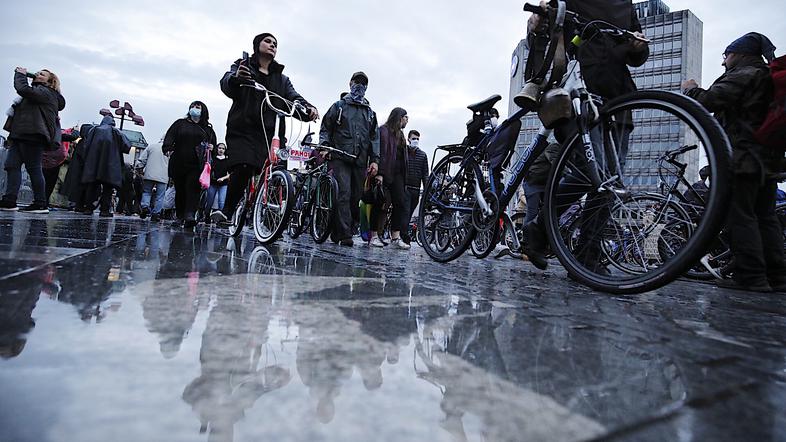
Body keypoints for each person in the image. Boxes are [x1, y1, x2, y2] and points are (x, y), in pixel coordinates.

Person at [521, 0, 649, 271]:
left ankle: (587, 253)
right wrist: (535, 22)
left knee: (611, 181)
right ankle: (541, 227)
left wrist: (639, 46)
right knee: (590, 173)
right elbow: (543, 23)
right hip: (579, 91)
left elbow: (637, 55)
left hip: (619, 96)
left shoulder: (626, 6)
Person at [682, 32, 786, 293]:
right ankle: (777, 277)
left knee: (741, 217)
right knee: (766, 217)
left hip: (743, 158)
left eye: (726, 55)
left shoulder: (746, 72)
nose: (724, 61)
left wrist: (690, 89)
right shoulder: (765, 75)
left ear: (738, 53)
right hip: (767, 161)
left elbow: (707, 101)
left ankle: (751, 277)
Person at [214, 32, 318, 226]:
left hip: (271, 132)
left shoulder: (282, 79)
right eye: (267, 41)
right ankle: (227, 211)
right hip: (243, 128)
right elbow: (226, 82)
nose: (272, 45)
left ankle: (271, 220)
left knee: (277, 168)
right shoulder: (243, 65)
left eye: (275, 44)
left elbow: (293, 97)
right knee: (244, 166)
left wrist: (308, 108)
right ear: (257, 45)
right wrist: (236, 78)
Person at [319, 71, 380, 246]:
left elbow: (375, 139)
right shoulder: (338, 106)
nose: (360, 85)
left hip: (360, 161)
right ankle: (345, 234)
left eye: (363, 83)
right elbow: (325, 128)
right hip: (340, 157)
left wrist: (375, 160)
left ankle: (339, 230)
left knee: (356, 198)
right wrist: (324, 147)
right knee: (343, 194)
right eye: (357, 81)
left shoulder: (370, 113)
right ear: (350, 83)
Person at [1, 68, 65, 213]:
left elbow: (23, 89)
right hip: (21, 134)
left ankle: (40, 203)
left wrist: (20, 75)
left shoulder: (47, 93)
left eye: (42, 74)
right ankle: (10, 200)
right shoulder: (38, 92)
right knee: (12, 165)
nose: (37, 74)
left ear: (50, 82)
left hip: (34, 134)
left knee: (34, 168)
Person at [162, 101, 217, 230]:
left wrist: (212, 148)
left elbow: (213, 145)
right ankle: (180, 214)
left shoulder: (208, 129)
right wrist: (168, 148)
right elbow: (170, 137)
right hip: (179, 162)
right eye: (192, 106)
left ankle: (190, 214)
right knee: (180, 189)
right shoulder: (180, 124)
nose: (194, 109)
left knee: (193, 189)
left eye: (197, 107)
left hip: (197, 164)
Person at [370, 108, 410, 249]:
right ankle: (374, 235)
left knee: (400, 202)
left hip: (398, 175)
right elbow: (379, 152)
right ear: (398, 117)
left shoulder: (401, 135)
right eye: (405, 117)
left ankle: (395, 237)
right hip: (385, 172)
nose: (407, 120)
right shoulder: (383, 131)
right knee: (379, 202)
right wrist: (379, 173)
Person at [79, 115, 132, 216]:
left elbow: (86, 146)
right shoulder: (115, 131)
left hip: (94, 164)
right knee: (108, 188)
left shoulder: (94, 130)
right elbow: (127, 146)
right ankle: (104, 210)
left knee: (92, 186)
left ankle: (88, 208)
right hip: (110, 165)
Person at [402, 130, 429, 245]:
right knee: (406, 212)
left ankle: (403, 234)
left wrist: (426, 188)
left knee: (410, 212)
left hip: (416, 189)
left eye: (417, 139)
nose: (416, 141)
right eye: (413, 139)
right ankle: (404, 235)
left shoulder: (422, 155)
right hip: (405, 187)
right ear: (408, 139)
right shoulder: (404, 153)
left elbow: (425, 174)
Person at [42, 127, 78, 205]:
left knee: (54, 184)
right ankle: (51, 202)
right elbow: (72, 137)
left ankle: (48, 201)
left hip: (52, 162)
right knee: (57, 184)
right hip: (59, 163)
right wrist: (76, 132)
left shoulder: (49, 133)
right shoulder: (61, 135)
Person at [136, 140, 170, 223]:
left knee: (147, 192)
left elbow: (142, 159)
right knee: (160, 196)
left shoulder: (152, 146)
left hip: (149, 174)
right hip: (163, 176)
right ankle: (156, 214)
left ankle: (145, 207)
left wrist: (139, 167)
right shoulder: (170, 150)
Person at [206, 142, 230, 218]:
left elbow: (230, 173)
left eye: (223, 148)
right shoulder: (212, 158)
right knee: (209, 201)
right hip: (213, 182)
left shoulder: (227, 160)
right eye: (220, 148)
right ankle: (206, 216)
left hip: (223, 184)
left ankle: (220, 219)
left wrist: (223, 178)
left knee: (222, 202)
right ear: (217, 148)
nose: (221, 150)